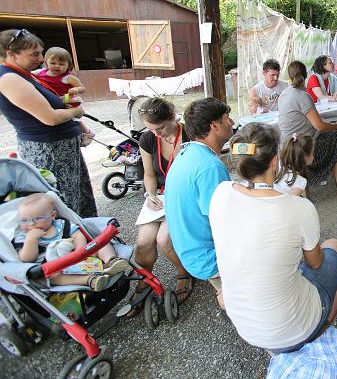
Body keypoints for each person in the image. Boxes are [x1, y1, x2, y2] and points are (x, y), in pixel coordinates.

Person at [210, 123, 337, 353]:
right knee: (334, 249)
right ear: (275, 161)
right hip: (293, 330)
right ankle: (321, 328)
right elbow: (315, 263)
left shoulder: (220, 193)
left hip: (246, 327)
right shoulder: (299, 207)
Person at [0, 29, 97, 218]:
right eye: (34, 54)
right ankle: (74, 241)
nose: (41, 58)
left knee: (76, 195)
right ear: (12, 54)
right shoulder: (10, 78)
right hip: (49, 150)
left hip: (62, 147)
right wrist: (77, 112)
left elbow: (53, 101)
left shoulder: (25, 73)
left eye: (40, 52)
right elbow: (50, 118)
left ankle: (88, 238)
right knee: (63, 201)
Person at [163, 98, 233, 310]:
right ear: (214, 126)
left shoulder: (186, 153)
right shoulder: (210, 167)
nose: (231, 122)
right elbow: (225, 223)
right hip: (208, 258)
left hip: (189, 251)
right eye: (226, 119)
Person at [128, 98, 193, 314]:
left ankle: (184, 272)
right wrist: (150, 194)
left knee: (164, 239)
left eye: (160, 128)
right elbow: (148, 174)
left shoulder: (190, 134)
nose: (157, 134)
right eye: (151, 129)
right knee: (143, 241)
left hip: (183, 195)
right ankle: (146, 280)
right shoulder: (148, 139)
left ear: (173, 117)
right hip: (161, 198)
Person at [278, 60, 337, 203]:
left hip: (287, 147)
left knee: (335, 142)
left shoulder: (284, 93)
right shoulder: (302, 96)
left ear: (290, 77)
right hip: (301, 148)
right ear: (306, 75)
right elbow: (319, 126)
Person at [13, 194, 128, 291]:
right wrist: (31, 240)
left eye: (38, 218)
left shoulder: (61, 225)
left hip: (83, 257)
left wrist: (81, 252)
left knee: (100, 243)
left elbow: (78, 235)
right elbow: (26, 258)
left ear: (52, 216)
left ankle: (110, 261)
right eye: (24, 220)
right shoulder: (24, 237)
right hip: (58, 268)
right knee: (53, 277)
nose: (31, 223)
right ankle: (90, 280)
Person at [33, 47, 95, 146]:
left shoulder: (68, 78)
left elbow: (82, 88)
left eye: (61, 64)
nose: (57, 66)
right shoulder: (40, 72)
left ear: (68, 65)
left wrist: (76, 89)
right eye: (53, 63)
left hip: (66, 99)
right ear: (46, 62)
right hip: (49, 99)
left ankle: (87, 132)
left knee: (73, 117)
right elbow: (27, 74)